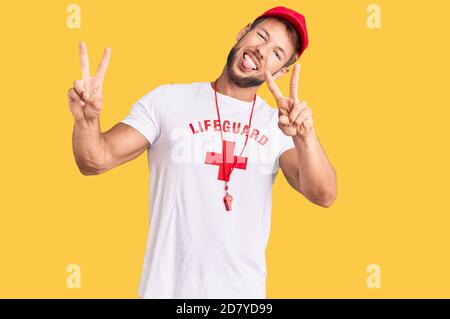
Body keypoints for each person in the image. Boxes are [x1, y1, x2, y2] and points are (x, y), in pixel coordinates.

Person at [68, 6, 337, 299]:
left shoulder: (279, 125)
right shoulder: (167, 100)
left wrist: (306, 137)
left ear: (282, 71)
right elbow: (95, 160)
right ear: (242, 32)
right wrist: (86, 122)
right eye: (260, 36)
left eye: (276, 53)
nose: (261, 50)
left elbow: (323, 194)